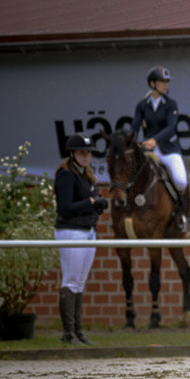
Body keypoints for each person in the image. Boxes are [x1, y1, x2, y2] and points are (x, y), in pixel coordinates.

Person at [54, 133, 108, 345]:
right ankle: (69, 333)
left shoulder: (87, 175)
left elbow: (88, 202)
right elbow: (64, 208)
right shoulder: (66, 175)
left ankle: (78, 330)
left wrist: (97, 205)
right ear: (73, 154)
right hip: (71, 230)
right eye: (82, 153)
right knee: (71, 279)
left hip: (87, 229)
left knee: (80, 281)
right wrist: (90, 203)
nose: (86, 156)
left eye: (88, 153)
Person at [130, 66, 190, 233]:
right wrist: (127, 140)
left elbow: (171, 127)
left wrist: (154, 140)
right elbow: (134, 126)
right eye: (162, 82)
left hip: (168, 150)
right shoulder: (142, 105)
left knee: (181, 180)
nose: (165, 85)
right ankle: (126, 212)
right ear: (152, 83)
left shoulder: (171, 104)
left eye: (167, 82)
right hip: (148, 150)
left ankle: (184, 215)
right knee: (130, 174)